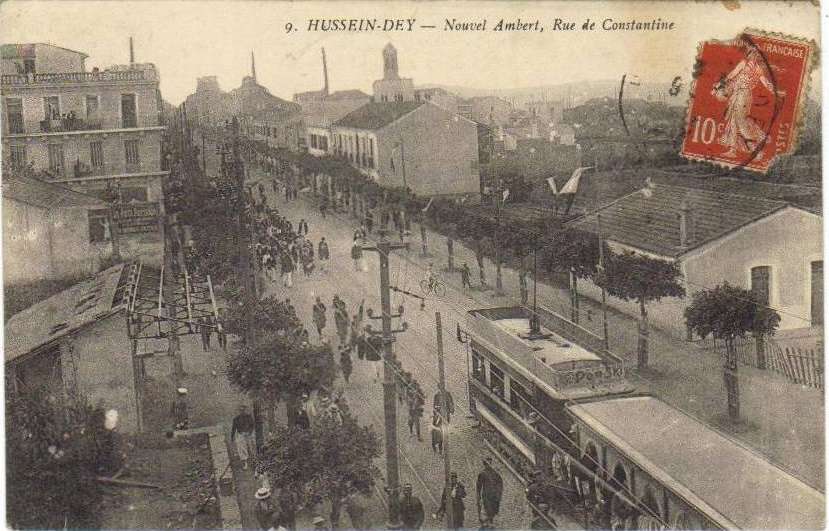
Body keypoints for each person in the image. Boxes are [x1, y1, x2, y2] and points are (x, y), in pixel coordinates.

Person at [476, 457, 504, 526]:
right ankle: (487, 523)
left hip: (494, 496)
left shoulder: (495, 473)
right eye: (487, 464)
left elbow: (500, 483)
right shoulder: (482, 474)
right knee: (488, 510)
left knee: (494, 511)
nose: (489, 465)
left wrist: (499, 494)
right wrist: (478, 496)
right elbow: (478, 486)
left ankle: (490, 522)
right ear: (485, 464)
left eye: (490, 463)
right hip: (486, 496)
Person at [231, 405, 256, 470]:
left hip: (249, 434)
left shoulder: (249, 417)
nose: (242, 411)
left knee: (252, 446)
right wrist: (232, 437)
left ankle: (255, 461)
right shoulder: (236, 419)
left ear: (245, 410)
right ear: (239, 411)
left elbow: (252, 425)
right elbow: (233, 429)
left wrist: (249, 432)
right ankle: (245, 463)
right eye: (240, 410)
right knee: (241, 447)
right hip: (241, 434)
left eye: (243, 410)